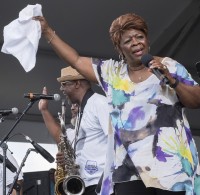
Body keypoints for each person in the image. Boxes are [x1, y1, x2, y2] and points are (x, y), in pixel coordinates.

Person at [33, 13, 200, 195]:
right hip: (129, 172)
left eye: (140, 37)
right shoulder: (112, 73)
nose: (136, 42)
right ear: (119, 48)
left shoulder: (169, 66)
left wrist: (171, 80)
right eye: (128, 40)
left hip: (170, 166)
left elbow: (196, 100)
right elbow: (75, 60)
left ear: (147, 39)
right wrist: (47, 31)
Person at [38, 66, 110, 195]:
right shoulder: (83, 111)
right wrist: (71, 160)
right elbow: (62, 138)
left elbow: (116, 142)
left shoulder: (100, 103)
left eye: (64, 84)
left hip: (101, 184)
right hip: (86, 184)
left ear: (77, 83)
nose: (61, 89)